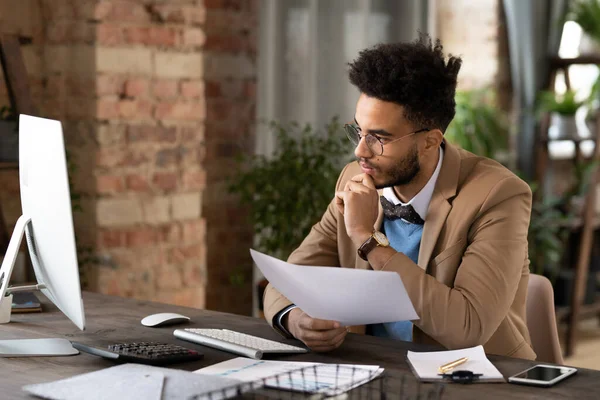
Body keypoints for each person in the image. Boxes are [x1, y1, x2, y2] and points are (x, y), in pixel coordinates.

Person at [263, 33, 536, 360]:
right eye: (359, 131)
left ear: (430, 142)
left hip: (471, 379)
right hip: (376, 370)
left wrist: (368, 240)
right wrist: (295, 319)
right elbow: (287, 280)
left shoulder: (498, 195)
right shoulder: (356, 179)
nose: (359, 150)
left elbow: (468, 328)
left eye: (379, 138)